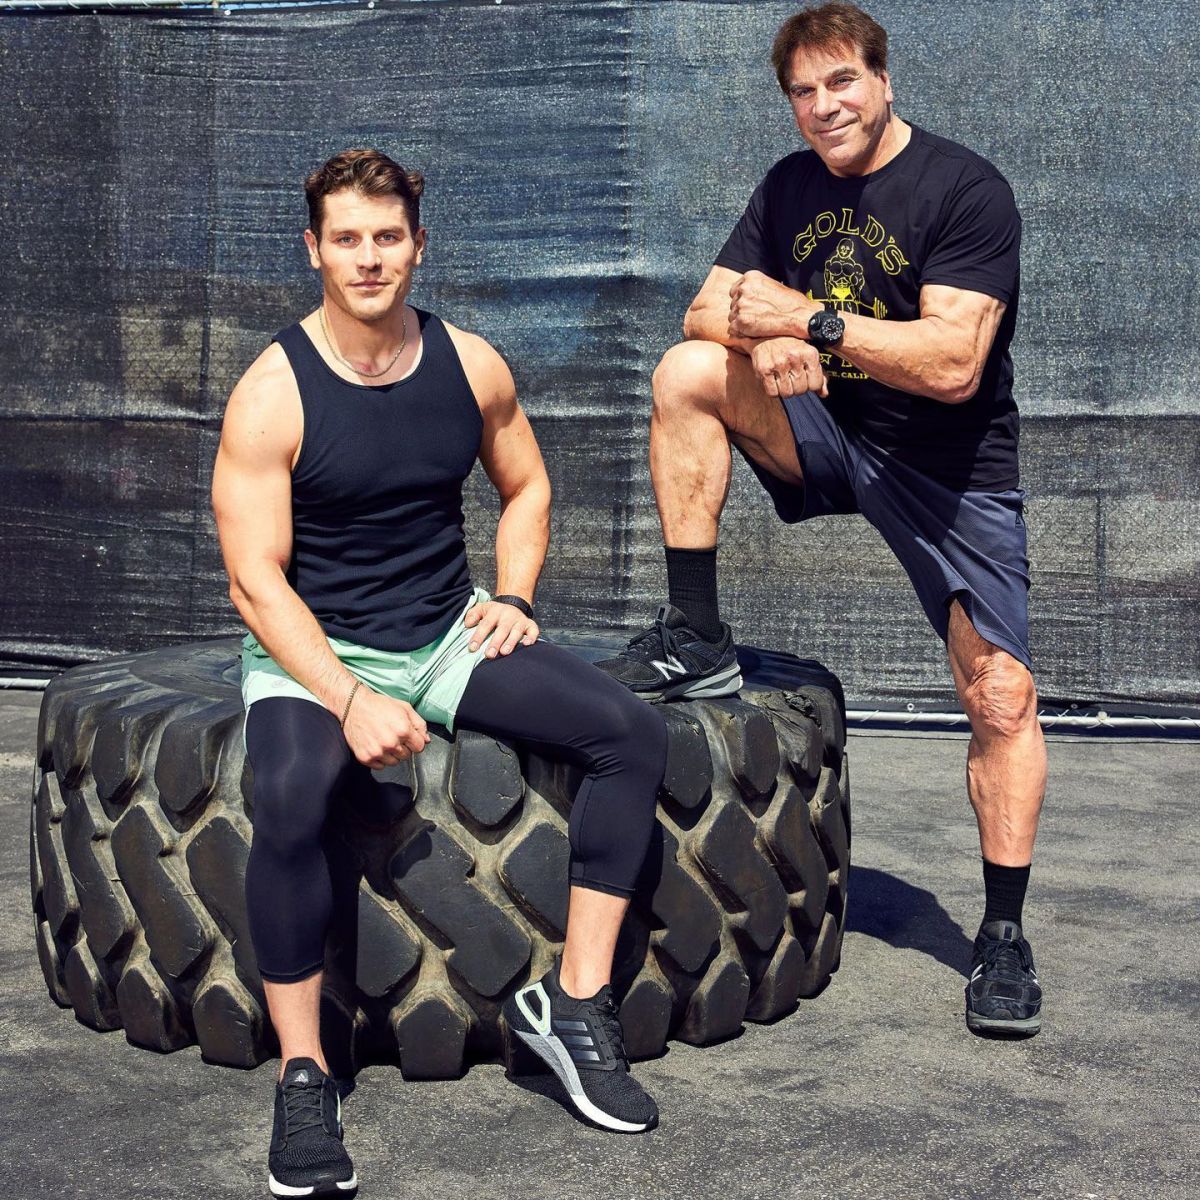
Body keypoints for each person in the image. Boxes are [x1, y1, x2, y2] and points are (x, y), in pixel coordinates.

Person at [212, 149, 666, 1198]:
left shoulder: (471, 364)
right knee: (287, 794)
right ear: (313, 248)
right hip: (316, 652)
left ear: (419, 244)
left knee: (633, 734)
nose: (368, 259)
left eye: (387, 237)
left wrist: (512, 597)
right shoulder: (271, 392)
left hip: (446, 633)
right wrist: (347, 695)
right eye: (347, 239)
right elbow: (254, 584)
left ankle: (573, 1003)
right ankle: (304, 1072)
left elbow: (528, 485)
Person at [598, 1, 1045, 1039]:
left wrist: (807, 319)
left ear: (882, 81)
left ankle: (1005, 936)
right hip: (825, 428)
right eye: (803, 91)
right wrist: (765, 346)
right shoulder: (788, 188)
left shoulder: (964, 188)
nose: (823, 106)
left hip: (949, 469)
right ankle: (696, 634)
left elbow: (951, 362)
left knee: (1002, 695)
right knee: (688, 373)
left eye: (840, 81)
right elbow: (705, 312)